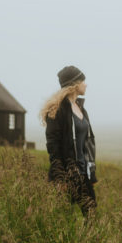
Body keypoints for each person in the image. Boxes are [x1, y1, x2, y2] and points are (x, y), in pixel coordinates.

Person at [41, 65, 97, 217]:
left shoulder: (80, 108)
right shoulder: (57, 110)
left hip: (83, 172)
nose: (86, 84)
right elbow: (53, 146)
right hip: (67, 173)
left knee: (91, 213)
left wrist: (90, 171)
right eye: (83, 81)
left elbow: (87, 141)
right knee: (63, 217)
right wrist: (61, 178)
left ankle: (87, 241)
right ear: (74, 84)